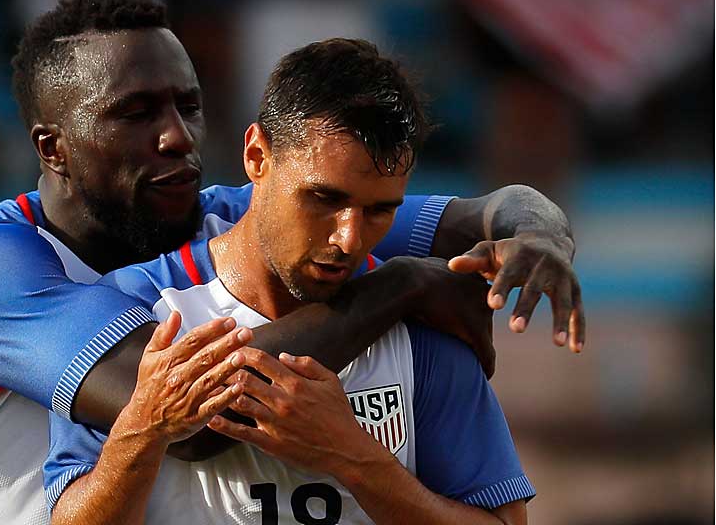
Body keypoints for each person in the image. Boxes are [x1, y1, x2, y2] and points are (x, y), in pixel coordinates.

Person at [0, 0, 581, 525]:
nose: (176, 136)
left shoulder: (261, 217)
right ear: (52, 146)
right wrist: (401, 286)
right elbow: (188, 416)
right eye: (136, 112)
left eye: (189, 105)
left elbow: (488, 213)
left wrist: (543, 235)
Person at [45, 38, 533, 524]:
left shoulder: (420, 327)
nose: (348, 238)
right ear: (257, 156)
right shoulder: (133, 311)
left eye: (380, 210)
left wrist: (352, 457)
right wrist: (143, 428)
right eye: (323, 198)